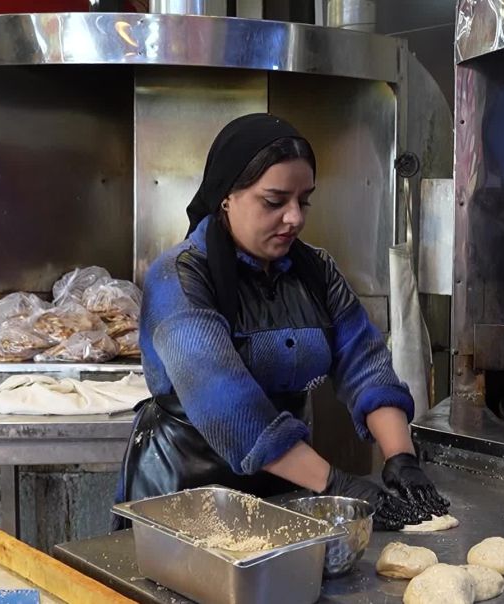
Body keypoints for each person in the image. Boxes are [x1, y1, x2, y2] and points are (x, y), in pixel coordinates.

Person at [115, 114, 449, 530]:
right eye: (274, 202)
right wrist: (335, 483)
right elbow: (229, 408)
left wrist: (400, 457)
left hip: (287, 482)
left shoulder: (315, 271)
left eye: (303, 200)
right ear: (225, 197)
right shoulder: (180, 279)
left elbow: (365, 364)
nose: (295, 218)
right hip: (184, 490)